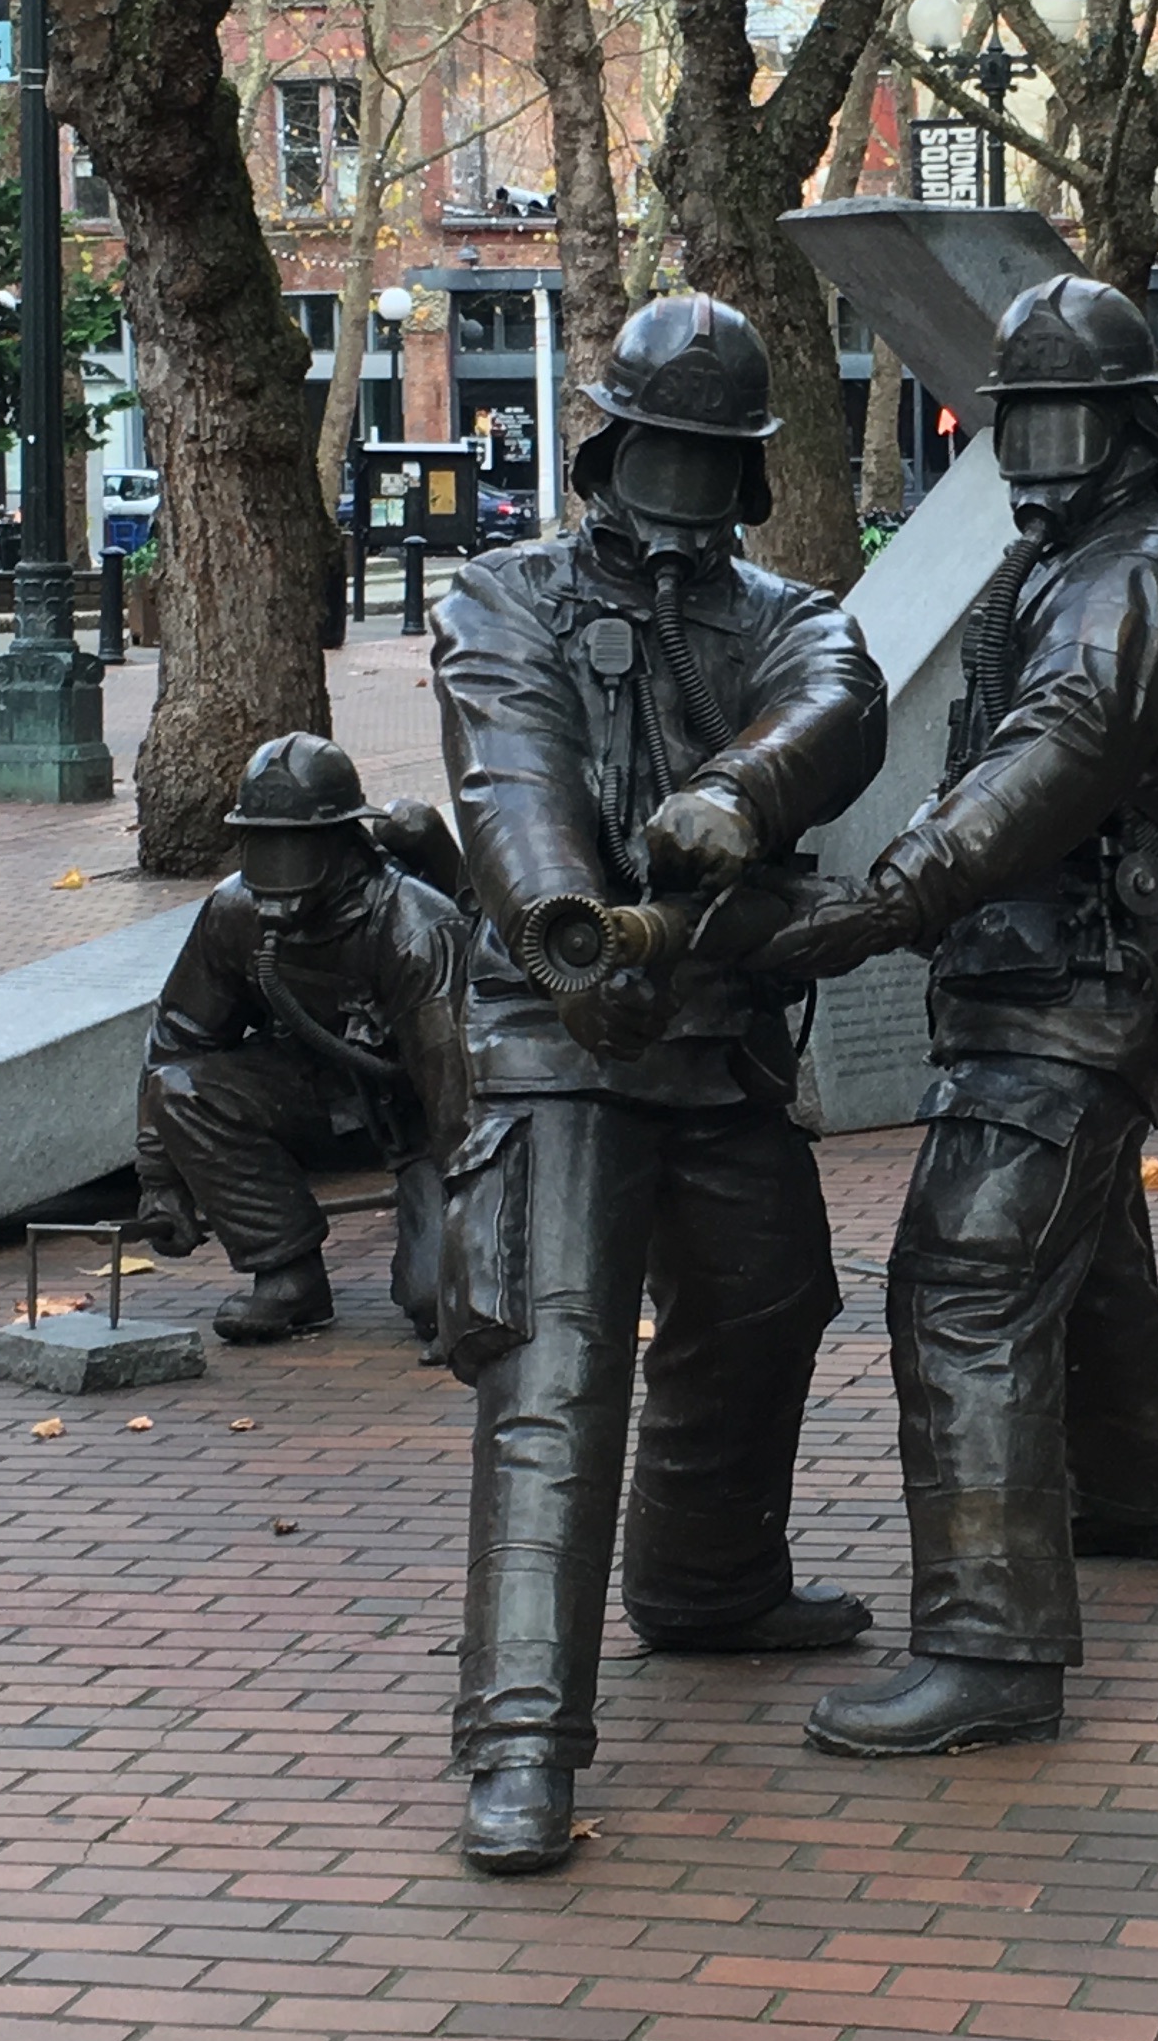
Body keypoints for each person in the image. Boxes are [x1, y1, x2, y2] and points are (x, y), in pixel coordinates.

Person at [430, 291, 891, 1876]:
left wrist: (736, 793)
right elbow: (514, 777)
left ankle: (706, 1585)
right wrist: (573, 946)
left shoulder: (789, 610)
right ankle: (518, 1742)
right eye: (662, 456)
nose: (682, 491)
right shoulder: (501, 597)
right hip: (563, 1035)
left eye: (712, 463)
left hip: (721, 1033)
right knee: (557, 1373)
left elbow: (840, 700)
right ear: (610, 448)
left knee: (771, 1301)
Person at [757, 276, 1158, 1758]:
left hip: (1071, 993)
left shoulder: (1129, 583)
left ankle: (994, 1649)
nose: (1034, 457)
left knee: (963, 1282)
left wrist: (886, 902)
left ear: (1127, 430)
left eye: (1063, 426)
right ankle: (1144, 1497)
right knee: (1078, 1254)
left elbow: (1049, 759)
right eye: (1018, 428)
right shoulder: (1067, 571)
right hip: (1045, 978)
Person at [135, 735, 476, 1346]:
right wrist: (160, 1178)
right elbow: (178, 1040)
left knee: (439, 1300)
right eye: (261, 847)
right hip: (318, 1092)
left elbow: (457, 1107)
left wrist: (473, 1275)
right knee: (185, 1089)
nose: (274, 871)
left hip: (418, 1114)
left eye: (292, 849)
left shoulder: (415, 925)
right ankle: (287, 1276)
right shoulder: (233, 912)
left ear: (344, 844)